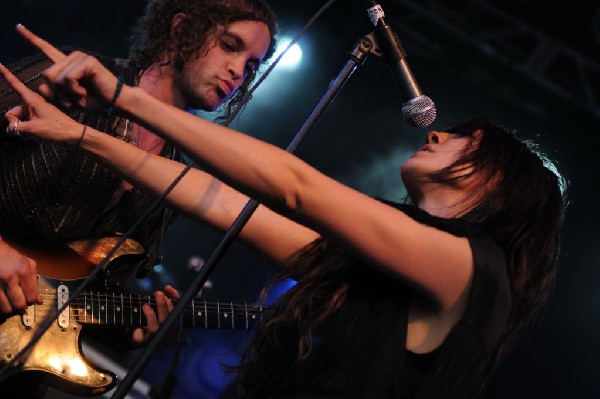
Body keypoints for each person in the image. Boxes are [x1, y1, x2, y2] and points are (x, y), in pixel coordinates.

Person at [0, 29, 566, 399]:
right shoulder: (379, 267)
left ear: (501, 184)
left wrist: (123, 97)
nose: (440, 131)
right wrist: (80, 134)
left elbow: (293, 187)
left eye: (468, 140)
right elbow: (217, 200)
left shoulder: (475, 271)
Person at [0, 0, 277, 397]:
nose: (238, 71)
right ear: (182, 29)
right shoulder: (76, 76)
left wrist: (131, 330)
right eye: (230, 45)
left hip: (18, 369)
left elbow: (80, 293)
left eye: (251, 66)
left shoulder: (176, 178)